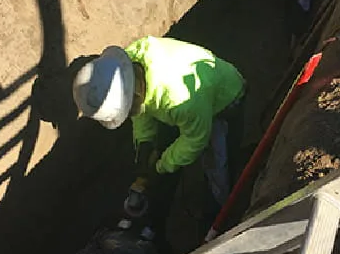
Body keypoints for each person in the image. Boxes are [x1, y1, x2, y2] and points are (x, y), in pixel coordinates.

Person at [72, 36, 246, 242]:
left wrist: (162, 166)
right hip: (188, 97)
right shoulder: (127, 65)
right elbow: (140, 110)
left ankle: (220, 217)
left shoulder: (180, 102)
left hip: (225, 101)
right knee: (168, 142)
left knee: (216, 166)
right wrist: (144, 144)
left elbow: (195, 141)